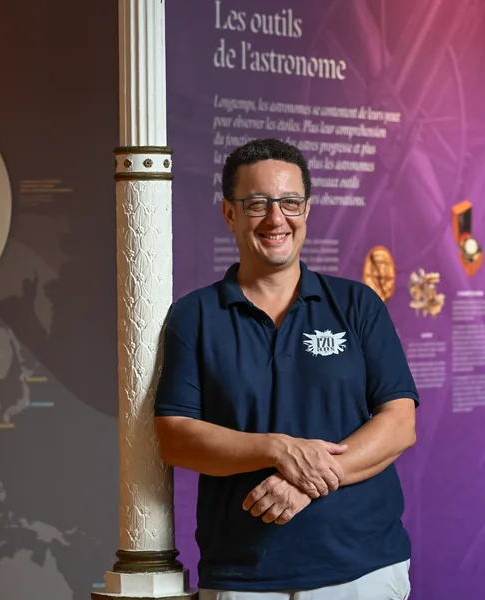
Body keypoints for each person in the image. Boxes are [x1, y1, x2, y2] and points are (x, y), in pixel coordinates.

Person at [154, 138, 419, 600]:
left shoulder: (357, 305)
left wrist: (304, 483)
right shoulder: (194, 316)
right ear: (229, 213)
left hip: (363, 570)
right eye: (258, 204)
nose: (277, 219)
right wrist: (277, 449)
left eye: (290, 203)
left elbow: (399, 424)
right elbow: (176, 436)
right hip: (243, 575)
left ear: (307, 210)